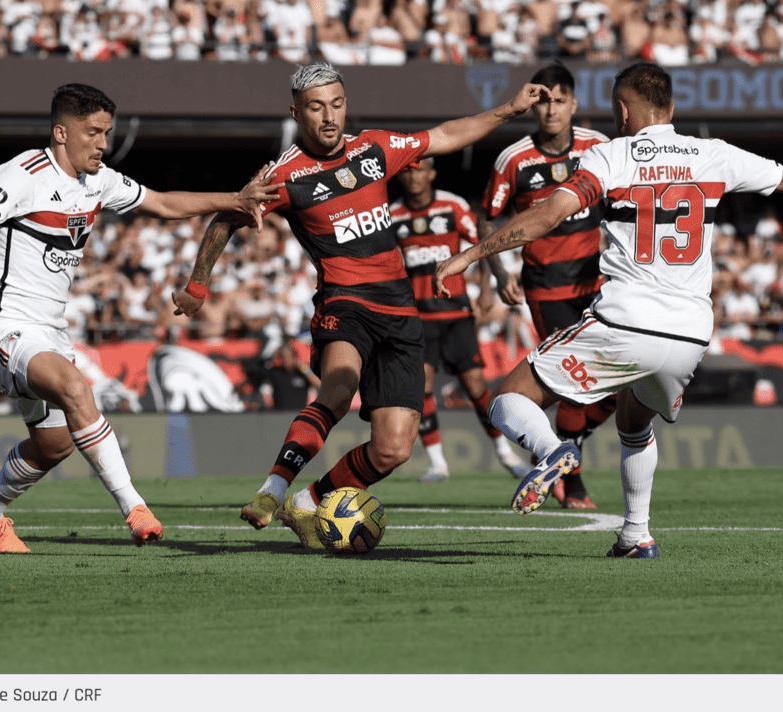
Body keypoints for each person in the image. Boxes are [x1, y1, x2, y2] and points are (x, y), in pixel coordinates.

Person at [435, 62, 783, 558]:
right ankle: (636, 534)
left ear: (622, 111)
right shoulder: (712, 155)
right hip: (691, 333)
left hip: (626, 320)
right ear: (671, 109)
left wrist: (470, 255)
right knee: (634, 422)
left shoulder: (611, 156)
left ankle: (553, 450)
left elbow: (548, 215)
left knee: (509, 399)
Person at [172, 62, 551, 548]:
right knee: (338, 387)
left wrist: (508, 110)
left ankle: (308, 502)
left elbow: (445, 135)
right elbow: (227, 218)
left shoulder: (373, 148)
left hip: (399, 310)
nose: (329, 117)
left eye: (336, 104)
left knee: (393, 450)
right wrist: (198, 287)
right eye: (316, 107)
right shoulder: (284, 174)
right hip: (343, 303)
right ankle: (273, 487)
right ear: (296, 112)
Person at [0, 83, 282, 554]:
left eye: (106, 133)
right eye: (93, 133)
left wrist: (234, 199)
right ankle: (135, 507)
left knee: (54, 444)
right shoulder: (20, 175)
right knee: (76, 388)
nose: (103, 144)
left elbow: (163, 203)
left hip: (49, 332)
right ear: (60, 132)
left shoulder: (99, 181)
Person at [478, 63, 612, 510]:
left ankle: (558, 445)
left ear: (574, 104)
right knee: (575, 381)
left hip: (598, 285)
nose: (551, 110)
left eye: (560, 100)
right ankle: (570, 482)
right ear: (534, 105)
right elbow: (488, 217)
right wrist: (500, 274)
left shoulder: (601, 148)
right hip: (546, 288)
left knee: (617, 385)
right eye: (544, 101)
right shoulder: (514, 159)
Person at [391, 158, 530, 483]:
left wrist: (488, 284)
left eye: (420, 169)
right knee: (421, 388)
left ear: (432, 173)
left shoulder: (451, 207)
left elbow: (483, 242)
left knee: (475, 387)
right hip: (419, 319)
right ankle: (438, 464)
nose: (414, 176)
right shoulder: (392, 214)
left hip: (457, 315)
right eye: (408, 170)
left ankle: (505, 454)